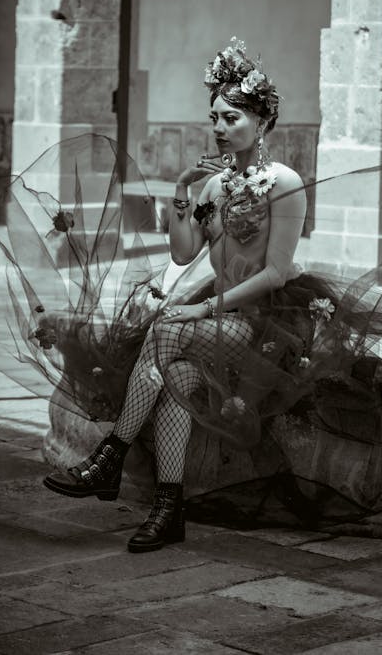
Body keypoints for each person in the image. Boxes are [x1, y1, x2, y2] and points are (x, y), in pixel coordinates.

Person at [42, 37, 309, 553]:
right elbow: (186, 252)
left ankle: (109, 456)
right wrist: (183, 190)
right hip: (211, 317)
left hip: (262, 317)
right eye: (215, 117)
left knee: (166, 330)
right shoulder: (213, 186)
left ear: (262, 122)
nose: (220, 127)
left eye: (232, 118)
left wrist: (204, 306)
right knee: (179, 377)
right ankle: (169, 510)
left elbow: (277, 272)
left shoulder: (283, 183)